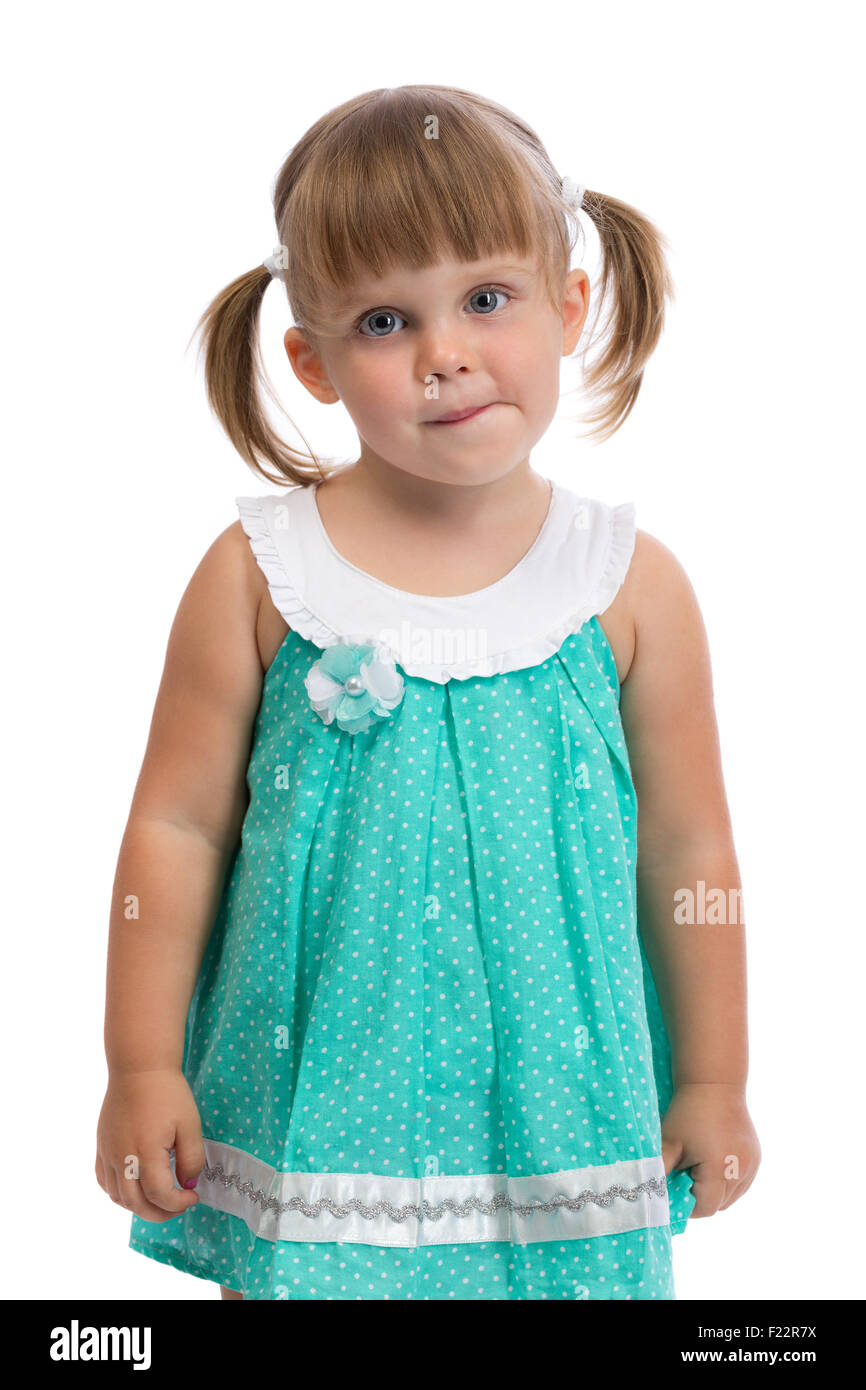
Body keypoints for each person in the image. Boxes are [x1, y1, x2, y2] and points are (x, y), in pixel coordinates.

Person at [95, 83, 760, 1301]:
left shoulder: (626, 586)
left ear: (567, 307)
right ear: (313, 359)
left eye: (486, 300)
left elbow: (685, 846)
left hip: (560, 1097)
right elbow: (176, 826)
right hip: (318, 1095)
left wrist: (714, 1075)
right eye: (387, 320)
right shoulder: (259, 574)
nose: (446, 352)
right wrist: (140, 1061)